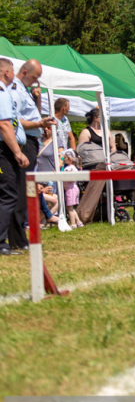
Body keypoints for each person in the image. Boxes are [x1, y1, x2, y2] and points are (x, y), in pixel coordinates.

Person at [10, 59, 54, 249]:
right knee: (19, 192)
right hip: (24, 143)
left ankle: (19, 237)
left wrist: (37, 99)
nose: (36, 81)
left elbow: (32, 117)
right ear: (25, 72)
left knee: (25, 192)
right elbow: (15, 120)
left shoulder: (25, 91)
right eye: (35, 77)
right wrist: (38, 125)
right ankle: (18, 240)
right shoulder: (15, 90)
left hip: (31, 142)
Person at [0, 58, 29, 255]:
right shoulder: (2, 93)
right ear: (8, 73)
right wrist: (17, 152)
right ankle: (1, 243)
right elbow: (4, 124)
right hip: (4, 150)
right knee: (9, 193)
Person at [62, 149, 84, 229]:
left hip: (70, 189)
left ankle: (73, 224)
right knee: (71, 207)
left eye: (64, 158)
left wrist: (64, 175)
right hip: (73, 189)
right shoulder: (73, 167)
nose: (63, 159)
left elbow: (72, 178)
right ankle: (78, 222)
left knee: (70, 208)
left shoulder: (69, 168)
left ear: (70, 159)